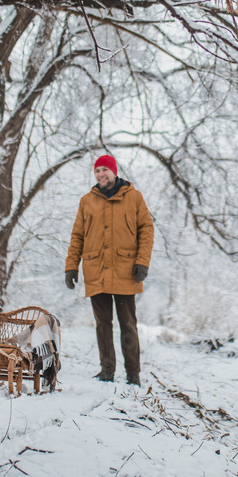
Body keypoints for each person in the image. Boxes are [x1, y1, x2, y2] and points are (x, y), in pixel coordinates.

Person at [65, 154, 154, 386]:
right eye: (97, 171)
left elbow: (146, 229)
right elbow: (77, 236)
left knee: (127, 322)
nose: (101, 174)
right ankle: (107, 371)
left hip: (126, 270)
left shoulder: (134, 197)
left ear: (114, 171)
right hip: (96, 270)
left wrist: (142, 262)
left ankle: (133, 373)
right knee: (102, 322)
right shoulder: (87, 201)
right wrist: (71, 266)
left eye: (105, 169)